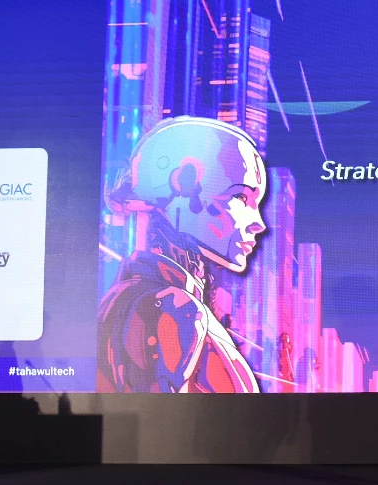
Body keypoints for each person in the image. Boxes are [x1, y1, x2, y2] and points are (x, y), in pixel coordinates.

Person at [97, 116, 266, 393]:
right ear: (184, 181)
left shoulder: (143, 295)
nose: (258, 221)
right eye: (241, 197)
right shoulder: (173, 306)